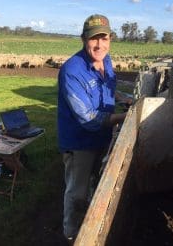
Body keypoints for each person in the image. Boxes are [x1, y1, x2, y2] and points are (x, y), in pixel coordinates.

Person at [57, 14, 131, 242]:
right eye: (93, 39)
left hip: (103, 136)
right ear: (83, 39)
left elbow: (107, 90)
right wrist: (126, 117)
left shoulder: (106, 61)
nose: (99, 45)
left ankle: (91, 220)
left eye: (104, 38)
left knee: (95, 180)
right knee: (76, 191)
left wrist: (124, 98)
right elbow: (88, 118)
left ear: (110, 39)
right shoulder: (72, 70)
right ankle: (72, 234)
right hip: (80, 142)